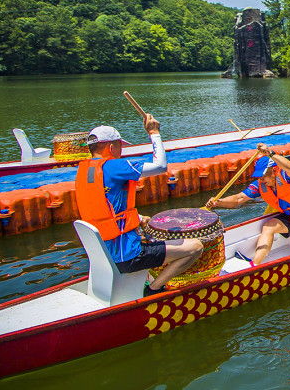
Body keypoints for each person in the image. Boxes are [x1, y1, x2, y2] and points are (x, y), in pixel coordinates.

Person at [75, 116, 203, 297]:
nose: (122, 150)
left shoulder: (84, 170)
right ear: (111, 147)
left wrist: (139, 218)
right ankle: (154, 290)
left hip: (103, 256)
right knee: (196, 247)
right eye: (120, 146)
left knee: (153, 240)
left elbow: (104, 208)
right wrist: (154, 133)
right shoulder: (114, 166)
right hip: (128, 256)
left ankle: (147, 280)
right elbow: (160, 166)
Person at [206, 143, 290, 266]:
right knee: (268, 226)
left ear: (273, 170)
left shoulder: (287, 177)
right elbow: (238, 199)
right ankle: (255, 265)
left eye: (263, 176)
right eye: (259, 177)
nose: (261, 180)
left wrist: (270, 153)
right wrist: (218, 202)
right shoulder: (260, 185)